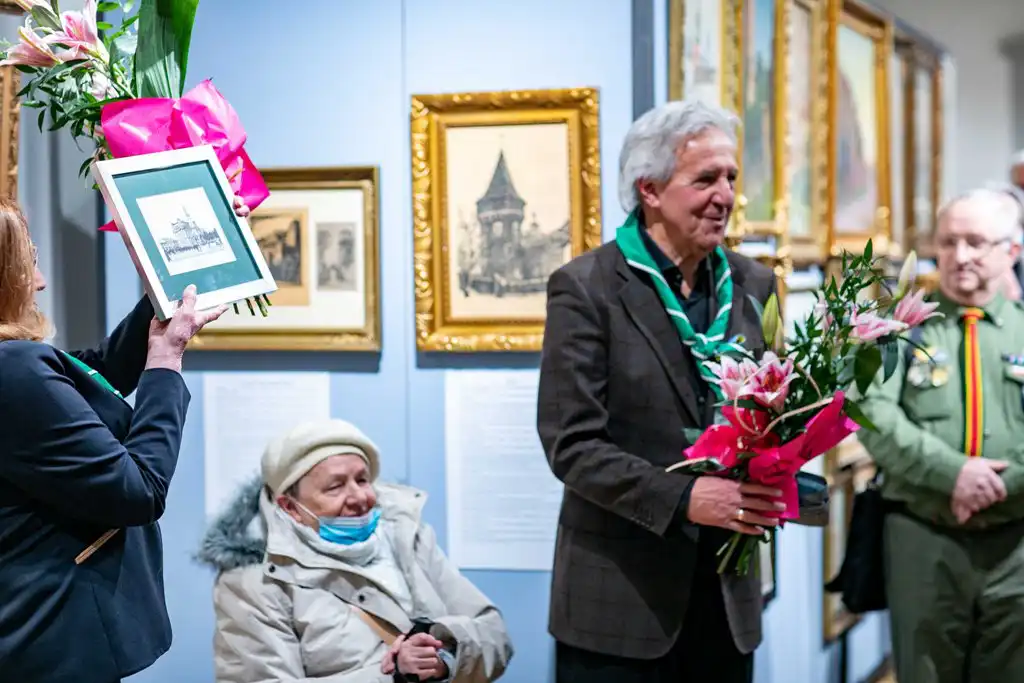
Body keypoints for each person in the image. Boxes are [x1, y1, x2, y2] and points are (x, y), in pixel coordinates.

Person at [536, 100, 828, 683]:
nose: (725, 195)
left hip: (726, 599)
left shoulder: (754, 283)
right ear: (649, 189)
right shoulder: (587, 288)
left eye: (731, 178)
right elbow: (572, 445)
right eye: (706, 179)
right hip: (620, 604)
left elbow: (775, 414)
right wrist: (684, 499)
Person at [0, 196, 251, 682]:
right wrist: (166, 361)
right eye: (27, 261)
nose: (41, 280)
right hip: (52, 644)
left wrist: (187, 266)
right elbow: (138, 491)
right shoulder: (14, 368)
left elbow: (97, 374)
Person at [198, 419, 513, 683]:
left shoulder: (406, 536)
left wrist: (441, 653)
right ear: (289, 507)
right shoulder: (253, 581)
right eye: (335, 487)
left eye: (362, 480)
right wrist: (392, 675)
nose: (360, 498)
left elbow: (494, 634)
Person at [857, 188, 1024, 682]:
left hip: (1015, 543)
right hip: (924, 538)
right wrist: (954, 474)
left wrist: (1001, 483)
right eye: (949, 242)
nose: (960, 255)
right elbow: (872, 417)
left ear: (1011, 251)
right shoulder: (897, 331)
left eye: (976, 242)